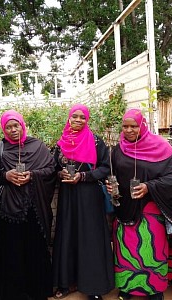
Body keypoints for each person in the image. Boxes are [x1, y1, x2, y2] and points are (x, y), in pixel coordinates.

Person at [106, 108, 172, 300]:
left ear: (142, 126)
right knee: (127, 249)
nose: (129, 130)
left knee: (151, 248)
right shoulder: (119, 149)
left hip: (151, 210)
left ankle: (154, 289)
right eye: (125, 126)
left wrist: (149, 187)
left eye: (133, 126)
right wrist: (111, 186)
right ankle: (127, 287)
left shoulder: (162, 147)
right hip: (125, 208)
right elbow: (112, 174)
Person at [0, 110, 56, 300]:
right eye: (9, 127)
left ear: (22, 125)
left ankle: (36, 293)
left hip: (33, 211)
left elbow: (50, 170)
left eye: (16, 125)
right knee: (11, 255)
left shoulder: (37, 146)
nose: (13, 130)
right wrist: (6, 176)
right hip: (7, 212)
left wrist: (32, 175)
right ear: (4, 129)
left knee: (34, 252)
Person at [52, 103, 114, 300]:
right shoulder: (61, 143)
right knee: (67, 235)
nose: (78, 120)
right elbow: (53, 167)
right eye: (75, 116)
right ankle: (66, 283)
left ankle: (93, 286)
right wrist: (59, 172)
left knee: (90, 238)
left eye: (82, 117)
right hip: (68, 197)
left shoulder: (96, 142)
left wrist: (84, 176)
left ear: (87, 120)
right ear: (69, 118)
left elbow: (105, 168)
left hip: (89, 197)